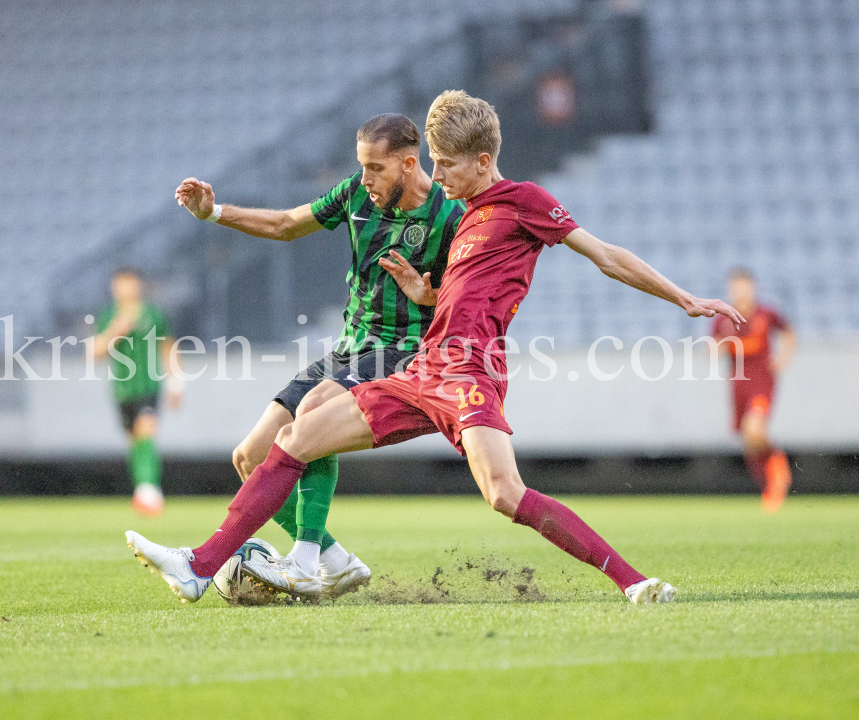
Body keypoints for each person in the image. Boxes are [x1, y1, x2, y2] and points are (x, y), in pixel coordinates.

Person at [126, 90, 744, 605]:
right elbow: (453, 292)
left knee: (504, 494)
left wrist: (685, 299)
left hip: (470, 372)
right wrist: (426, 294)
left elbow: (606, 255)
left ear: (481, 160)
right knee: (293, 435)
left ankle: (632, 582)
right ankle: (203, 565)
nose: (439, 176)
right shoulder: (462, 212)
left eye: (447, 164)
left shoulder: (523, 203)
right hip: (421, 368)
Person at [173, 114, 466, 598]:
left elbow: (469, 298)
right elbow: (287, 224)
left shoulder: (450, 217)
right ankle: (334, 560)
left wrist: (428, 297)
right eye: (361, 166)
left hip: (402, 351)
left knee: (312, 413)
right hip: (350, 347)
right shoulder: (355, 193)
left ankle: (304, 561)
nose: (364, 178)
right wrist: (214, 212)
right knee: (249, 456)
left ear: (409, 163)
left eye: (375, 168)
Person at [94, 268, 182, 516]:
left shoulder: (153, 314)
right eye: (121, 284)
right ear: (114, 288)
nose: (127, 289)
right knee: (135, 442)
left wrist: (176, 382)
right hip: (122, 390)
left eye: (131, 284)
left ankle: (149, 490)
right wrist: (116, 331)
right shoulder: (109, 316)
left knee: (147, 430)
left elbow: (168, 347)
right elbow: (95, 352)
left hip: (149, 386)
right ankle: (142, 490)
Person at [711, 268, 795, 512]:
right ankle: (769, 484)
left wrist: (784, 357)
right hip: (738, 383)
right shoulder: (722, 318)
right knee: (749, 440)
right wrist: (716, 348)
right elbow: (712, 346)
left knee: (754, 427)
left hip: (762, 381)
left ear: (753, 288)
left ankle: (777, 464)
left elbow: (789, 332)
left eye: (744, 286)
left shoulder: (766, 313)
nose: (740, 291)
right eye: (735, 287)